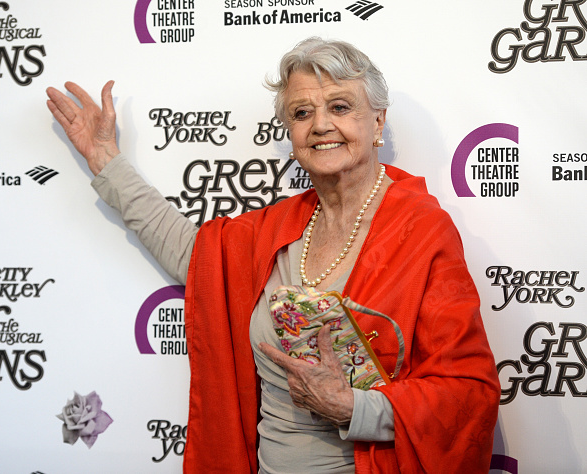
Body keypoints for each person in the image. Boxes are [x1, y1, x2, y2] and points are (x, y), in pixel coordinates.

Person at [46, 37, 500, 473]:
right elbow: (193, 254)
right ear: (291, 132)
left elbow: (469, 394)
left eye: (340, 107)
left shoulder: (420, 230)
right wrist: (106, 158)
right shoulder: (271, 231)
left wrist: (353, 407)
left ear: (377, 122)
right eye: (303, 112)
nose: (321, 124)